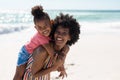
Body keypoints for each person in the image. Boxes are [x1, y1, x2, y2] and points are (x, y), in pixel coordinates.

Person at [13, 5, 69, 80]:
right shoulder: (41, 38)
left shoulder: (52, 33)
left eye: (45, 25)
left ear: (51, 22)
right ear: (36, 28)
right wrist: (61, 67)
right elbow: (52, 54)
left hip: (32, 48)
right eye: (40, 27)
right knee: (19, 74)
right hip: (25, 52)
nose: (44, 29)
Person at [23, 13, 80, 80]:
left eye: (64, 33)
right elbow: (34, 74)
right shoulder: (42, 51)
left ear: (70, 37)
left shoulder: (65, 49)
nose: (59, 35)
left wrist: (62, 68)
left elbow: (59, 63)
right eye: (57, 32)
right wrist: (54, 67)